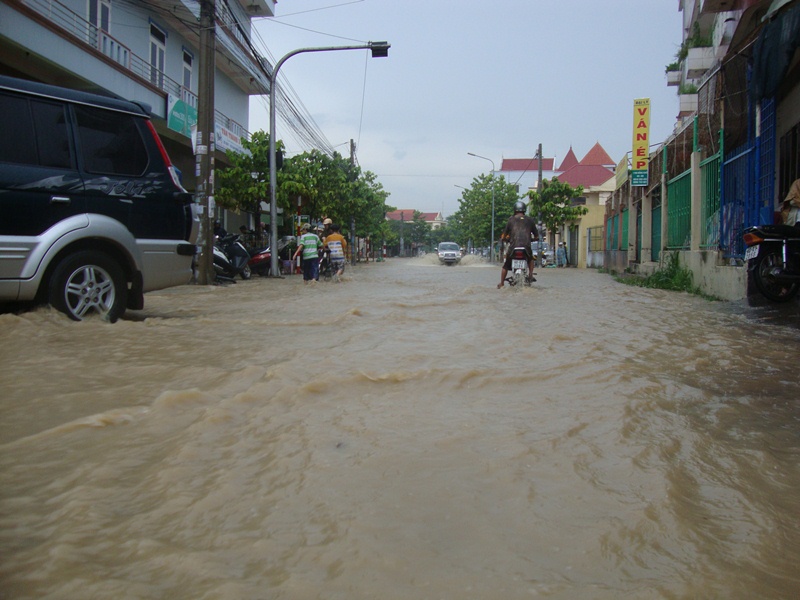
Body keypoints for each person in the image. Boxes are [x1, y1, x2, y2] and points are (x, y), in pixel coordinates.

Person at [498, 201, 538, 288]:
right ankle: (530, 275)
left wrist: (505, 239)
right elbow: (536, 236)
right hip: (526, 248)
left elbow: (504, 235)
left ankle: (501, 284)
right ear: (524, 210)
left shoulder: (511, 220)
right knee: (530, 259)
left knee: (505, 266)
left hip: (513, 247)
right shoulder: (530, 220)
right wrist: (533, 239)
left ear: (515, 210)